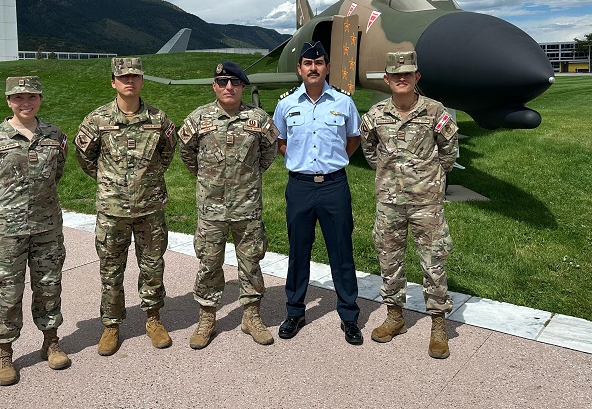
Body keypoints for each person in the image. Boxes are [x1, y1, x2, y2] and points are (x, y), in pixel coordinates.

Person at [0, 76, 70, 386]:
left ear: (40, 98)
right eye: (18, 98)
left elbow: (57, 172)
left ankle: (50, 341)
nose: (25, 103)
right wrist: (2, 203)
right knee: (8, 293)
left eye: (31, 97)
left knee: (49, 287)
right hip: (8, 231)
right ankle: (4, 352)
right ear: (9, 101)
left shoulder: (54, 135)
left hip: (47, 228)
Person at [359, 50, 458, 359]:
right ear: (387, 80)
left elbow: (449, 153)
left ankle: (439, 325)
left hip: (426, 203)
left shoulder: (434, 111)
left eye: (407, 74)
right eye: (395, 75)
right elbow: (370, 151)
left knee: (434, 262)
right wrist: (392, 179)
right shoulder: (375, 115)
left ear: (417, 77)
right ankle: (395, 315)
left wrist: (430, 180)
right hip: (389, 203)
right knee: (389, 260)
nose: (401, 78)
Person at [75, 57, 177, 355]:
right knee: (110, 271)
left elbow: (167, 154)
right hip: (112, 211)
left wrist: (150, 178)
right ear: (113, 82)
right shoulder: (98, 119)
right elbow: (85, 156)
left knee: (153, 266)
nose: (129, 81)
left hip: (150, 210)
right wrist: (109, 180)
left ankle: (153, 318)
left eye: (135, 76)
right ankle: (111, 325)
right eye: (123, 77)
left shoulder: (159, 119)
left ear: (142, 81)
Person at [179, 61, 280, 349]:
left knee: (251, 263)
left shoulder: (259, 119)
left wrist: (248, 178)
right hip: (211, 208)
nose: (228, 88)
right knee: (209, 263)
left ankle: (251, 316)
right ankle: (207, 318)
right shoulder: (198, 119)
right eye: (222, 82)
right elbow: (187, 154)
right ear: (214, 86)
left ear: (242, 86)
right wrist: (207, 180)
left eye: (234, 83)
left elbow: (269, 152)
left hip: (247, 206)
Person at [272, 41, 364, 345]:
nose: (313, 68)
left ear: (327, 67)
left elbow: (352, 139)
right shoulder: (286, 104)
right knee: (298, 251)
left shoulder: (343, 102)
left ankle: (349, 316)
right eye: (307, 63)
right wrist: (298, 162)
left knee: (341, 251)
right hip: (299, 187)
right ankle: (295, 311)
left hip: (334, 186)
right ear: (299, 68)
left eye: (319, 62)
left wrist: (335, 162)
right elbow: (280, 141)